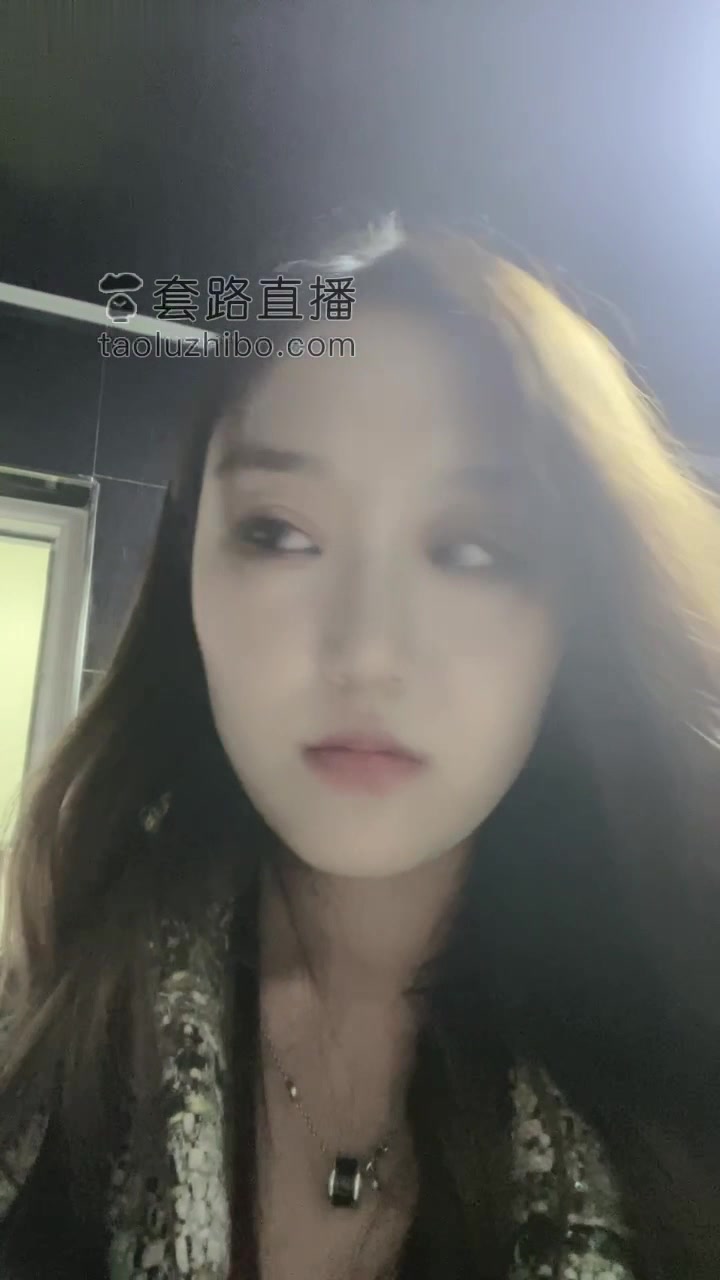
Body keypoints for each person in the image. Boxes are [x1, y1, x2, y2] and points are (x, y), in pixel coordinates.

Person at [0, 216, 719, 1280]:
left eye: (472, 548)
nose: (367, 651)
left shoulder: (686, 1055)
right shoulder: (44, 1028)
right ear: (189, 579)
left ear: (579, 616)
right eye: (280, 533)